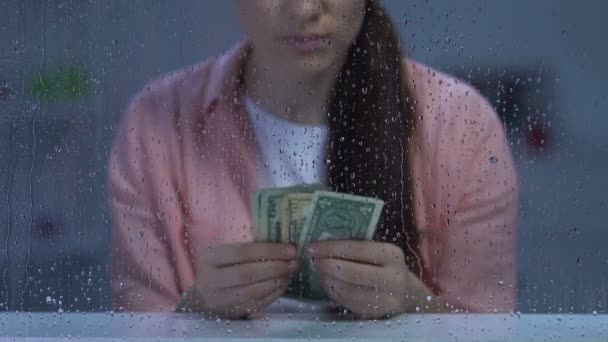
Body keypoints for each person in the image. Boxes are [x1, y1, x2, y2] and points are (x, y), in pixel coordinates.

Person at [108, 0, 518, 319]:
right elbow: (133, 325)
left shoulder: (463, 125)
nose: (304, 9)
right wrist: (195, 311)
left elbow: (488, 324)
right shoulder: (156, 124)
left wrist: (414, 305)